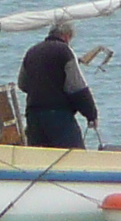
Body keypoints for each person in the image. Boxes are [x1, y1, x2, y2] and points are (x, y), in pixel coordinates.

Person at [15, 17, 98, 150]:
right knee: (74, 157)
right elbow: (76, 87)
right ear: (66, 36)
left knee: (40, 159)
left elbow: (22, 84)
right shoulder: (64, 51)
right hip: (59, 116)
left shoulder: (32, 51)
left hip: (33, 116)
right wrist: (91, 114)